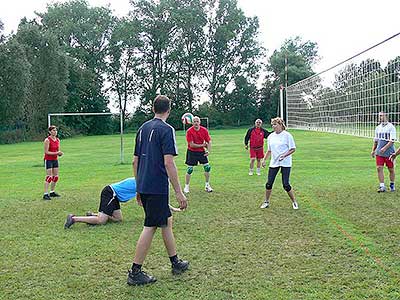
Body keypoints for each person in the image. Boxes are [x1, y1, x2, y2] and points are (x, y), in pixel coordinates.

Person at [128, 95, 189, 286]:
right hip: (156, 187)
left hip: (145, 185)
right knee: (151, 226)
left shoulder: (142, 128)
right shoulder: (167, 130)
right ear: (168, 110)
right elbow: (168, 162)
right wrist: (178, 191)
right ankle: (135, 272)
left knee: (166, 221)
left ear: (153, 108)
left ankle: (175, 262)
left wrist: (139, 187)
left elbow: (135, 161)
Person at [64, 178, 181, 228]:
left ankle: (93, 215)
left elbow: (154, 201)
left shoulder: (144, 182)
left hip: (115, 197)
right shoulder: (144, 184)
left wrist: (172, 208)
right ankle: (73, 218)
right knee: (102, 221)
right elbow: (153, 202)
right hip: (110, 193)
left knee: (118, 219)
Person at [260, 117, 299, 210]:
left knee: (286, 184)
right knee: (269, 184)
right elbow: (269, 150)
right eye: (272, 125)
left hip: (285, 162)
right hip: (274, 162)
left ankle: (294, 202)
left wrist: (284, 155)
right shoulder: (270, 136)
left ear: (280, 125)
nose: (273, 126)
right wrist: (264, 160)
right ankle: (266, 202)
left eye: (275, 124)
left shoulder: (287, 135)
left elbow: (293, 149)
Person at [183, 116, 213, 193]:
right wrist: (203, 145)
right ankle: (186, 186)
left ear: (199, 122)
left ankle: (207, 185)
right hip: (192, 151)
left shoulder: (204, 130)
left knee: (207, 167)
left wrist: (208, 151)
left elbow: (209, 141)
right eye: (194, 121)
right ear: (192, 123)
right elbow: (192, 145)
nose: (196, 123)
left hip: (201, 152)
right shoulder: (189, 131)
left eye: (197, 121)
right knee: (190, 169)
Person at [371, 111, 396, 192]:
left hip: (389, 152)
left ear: (386, 116)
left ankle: (392, 184)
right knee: (379, 168)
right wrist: (373, 150)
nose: (380, 117)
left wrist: (385, 148)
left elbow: (392, 140)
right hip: (379, 152)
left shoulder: (391, 127)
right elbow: (376, 140)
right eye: (379, 116)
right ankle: (382, 186)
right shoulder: (378, 127)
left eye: (381, 116)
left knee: (391, 169)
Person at [43, 125, 63, 200]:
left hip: (55, 159)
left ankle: (52, 192)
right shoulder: (47, 140)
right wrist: (56, 153)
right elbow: (46, 152)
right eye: (53, 130)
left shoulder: (57, 140)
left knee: (56, 177)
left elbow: (57, 150)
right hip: (48, 160)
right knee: (49, 177)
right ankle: (45, 194)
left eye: (56, 130)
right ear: (50, 132)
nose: (55, 132)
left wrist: (59, 153)